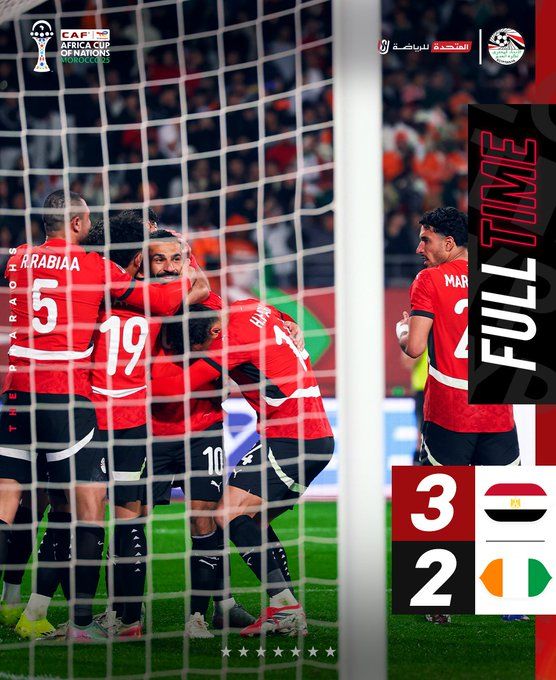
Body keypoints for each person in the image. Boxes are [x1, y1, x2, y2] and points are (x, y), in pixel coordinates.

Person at [0, 190, 189, 641]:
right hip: (84, 405)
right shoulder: (103, 275)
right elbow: (174, 303)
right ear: (79, 223)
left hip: (20, 392)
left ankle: (20, 603)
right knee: (97, 513)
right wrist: (189, 268)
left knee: (21, 506)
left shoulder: (20, 257)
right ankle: (99, 620)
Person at [156, 299, 334, 636]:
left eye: (201, 348)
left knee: (227, 513)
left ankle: (285, 606)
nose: (203, 353)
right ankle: (285, 610)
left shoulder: (231, 342)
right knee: (254, 521)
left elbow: (175, 388)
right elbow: (278, 314)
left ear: (214, 332)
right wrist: (291, 321)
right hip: (313, 436)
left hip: (291, 436)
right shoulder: (249, 307)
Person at [396, 206, 523, 624]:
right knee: (507, 503)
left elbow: (415, 348)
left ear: (449, 243)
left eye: (426, 240)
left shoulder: (429, 280)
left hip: (450, 410)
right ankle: (514, 601)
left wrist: (402, 331)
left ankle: (437, 601)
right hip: (499, 412)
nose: (420, 248)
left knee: (437, 508)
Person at [146, 230, 255, 638]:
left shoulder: (211, 305)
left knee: (204, 518)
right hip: (149, 431)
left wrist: (289, 322)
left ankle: (202, 614)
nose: (169, 267)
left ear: (188, 262)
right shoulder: (135, 303)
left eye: (177, 259)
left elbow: (242, 327)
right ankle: (125, 615)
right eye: (160, 260)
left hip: (203, 427)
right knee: (130, 520)